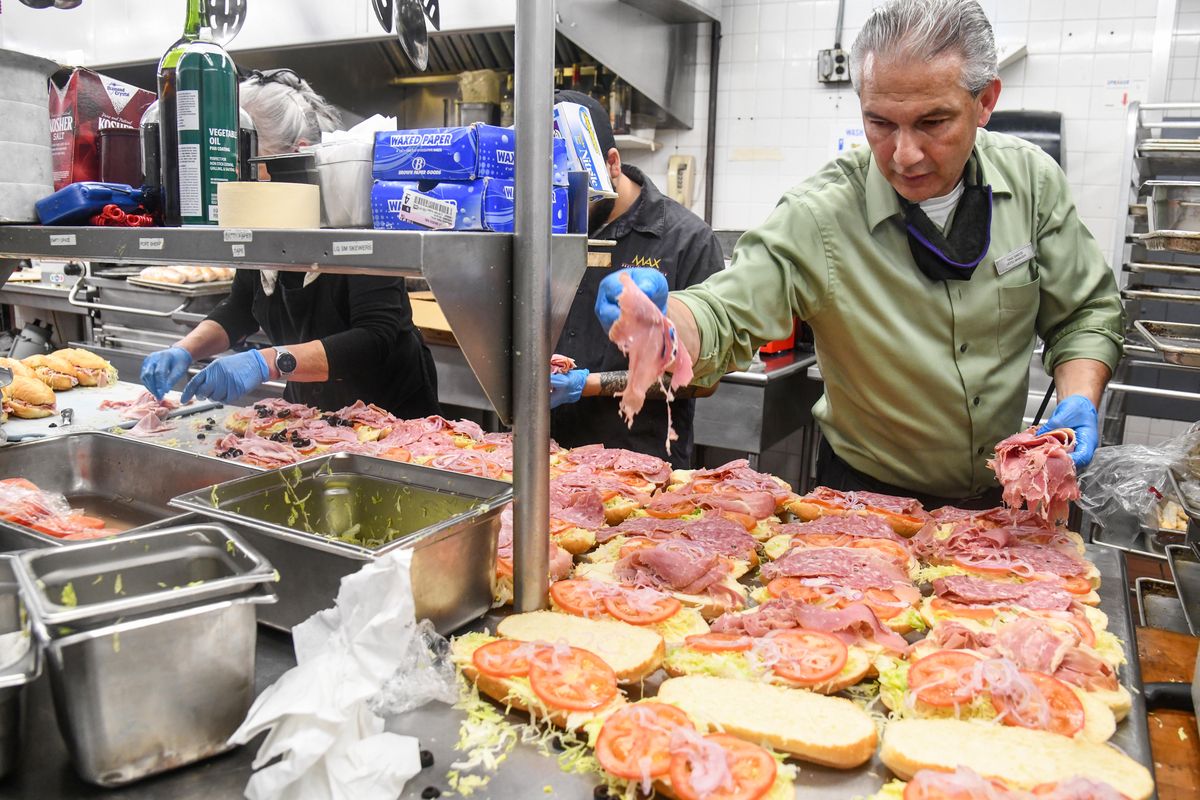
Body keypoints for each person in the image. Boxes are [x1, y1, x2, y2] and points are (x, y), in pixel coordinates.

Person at [593, 0, 1123, 508]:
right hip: (866, 504)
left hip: (1002, 499)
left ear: (985, 101)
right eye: (881, 123)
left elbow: (1083, 313)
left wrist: (1080, 395)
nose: (905, 154)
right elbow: (725, 309)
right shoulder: (821, 214)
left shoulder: (1032, 184)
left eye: (933, 122)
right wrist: (664, 325)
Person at [140, 69, 439, 418]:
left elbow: (375, 337)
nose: (240, 181)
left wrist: (265, 363)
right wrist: (185, 350)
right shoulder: (266, 222)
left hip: (391, 417)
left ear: (296, 157)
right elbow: (241, 306)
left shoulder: (353, 216)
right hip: (312, 415)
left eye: (250, 163)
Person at [549, 90, 725, 468]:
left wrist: (588, 385)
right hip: (543, 455)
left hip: (639, 467)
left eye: (577, 196)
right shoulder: (547, 227)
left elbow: (704, 381)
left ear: (612, 164)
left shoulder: (686, 241)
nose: (564, 214)